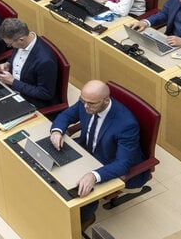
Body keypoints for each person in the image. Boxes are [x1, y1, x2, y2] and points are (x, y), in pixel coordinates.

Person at [50, 80, 147, 226]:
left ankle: (85, 218)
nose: (85, 106)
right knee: (52, 168)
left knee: (82, 192)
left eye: (91, 104)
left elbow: (122, 163)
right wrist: (57, 131)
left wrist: (94, 176)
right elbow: (66, 116)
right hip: (87, 150)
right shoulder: (87, 102)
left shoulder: (126, 124)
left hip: (108, 162)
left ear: (106, 100)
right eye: (83, 101)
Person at [0, 18, 59, 109]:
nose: (10, 47)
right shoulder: (22, 42)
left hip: (29, 101)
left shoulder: (45, 61)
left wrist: (13, 82)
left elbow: (45, 93)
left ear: (21, 40)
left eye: (9, 44)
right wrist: (8, 64)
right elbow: (20, 59)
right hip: (11, 89)